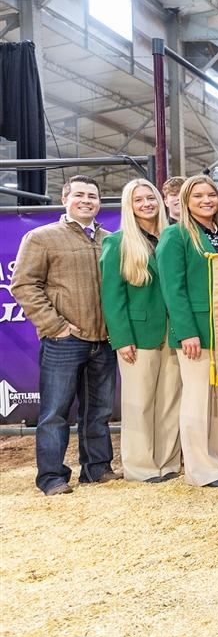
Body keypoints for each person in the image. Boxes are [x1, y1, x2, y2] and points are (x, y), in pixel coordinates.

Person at [11, 175, 120, 495]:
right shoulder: (42, 237)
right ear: (65, 199)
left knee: (99, 411)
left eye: (93, 196)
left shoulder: (110, 239)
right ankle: (52, 477)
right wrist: (55, 325)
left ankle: (97, 468)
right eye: (80, 195)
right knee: (55, 412)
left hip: (104, 340)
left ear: (100, 203)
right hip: (64, 340)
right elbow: (24, 285)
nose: (87, 201)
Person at [157, 174, 218, 488]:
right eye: (198, 196)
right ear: (186, 201)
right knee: (197, 399)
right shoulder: (176, 236)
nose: (206, 201)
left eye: (211, 195)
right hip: (197, 332)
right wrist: (186, 330)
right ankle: (200, 471)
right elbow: (172, 289)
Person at [99, 179, 181, 484]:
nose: (146, 203)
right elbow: (112, 296)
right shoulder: (118, 242)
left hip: (173, 332)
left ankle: (169, 463)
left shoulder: (173, 237)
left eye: (151, 197)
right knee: (140, 403)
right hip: (139, 334)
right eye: (139, 200)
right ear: (129, 206)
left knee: (171, 401)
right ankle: (141, 467)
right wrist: (121, 338)